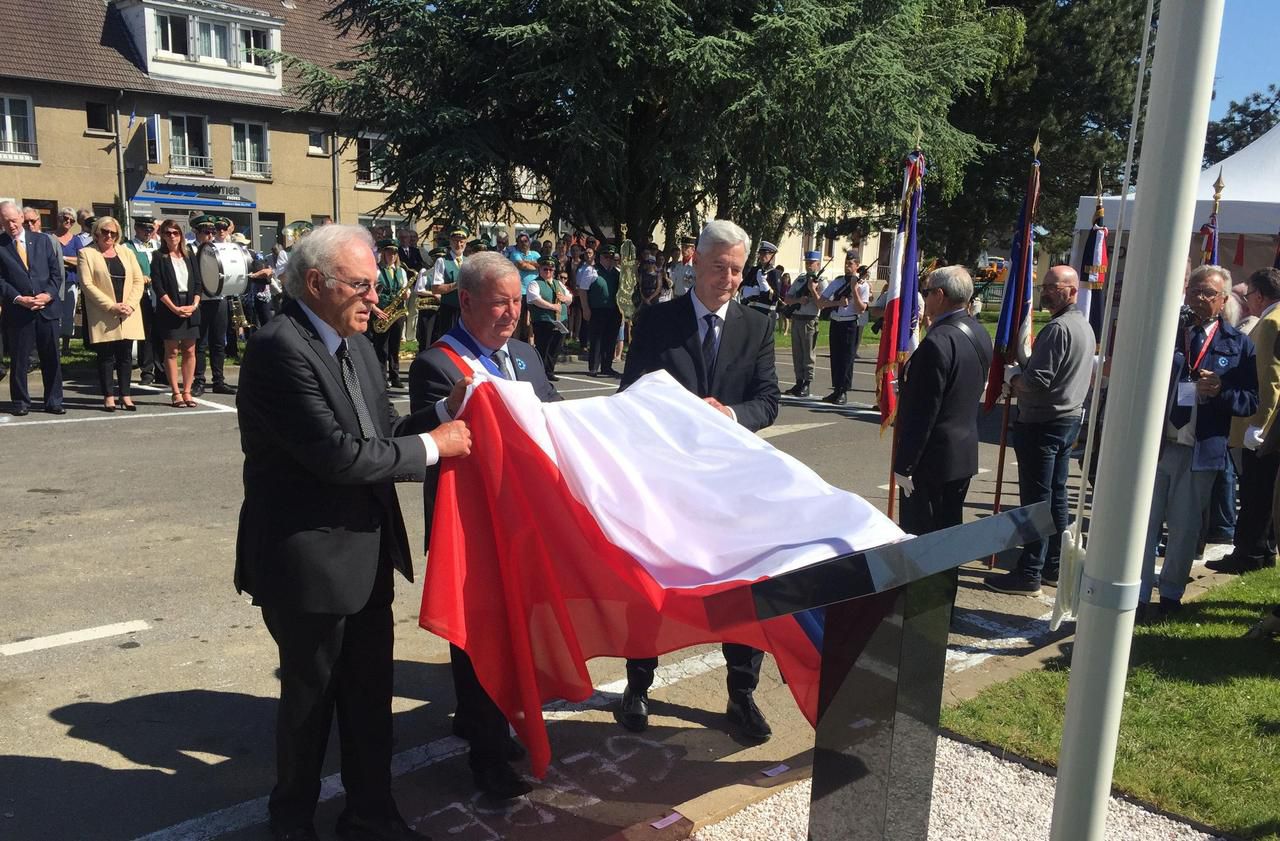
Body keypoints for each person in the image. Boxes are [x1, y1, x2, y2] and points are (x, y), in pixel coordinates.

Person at [236, 223, 471, 841]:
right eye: (362, 286)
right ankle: (291, 820)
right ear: (316, 284)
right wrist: (434, 446)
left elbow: (384, 431)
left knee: (370, 701)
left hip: (365, 555)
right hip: (308, 563)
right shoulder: (277, 349)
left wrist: (446, 413)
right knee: (310, 705)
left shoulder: (358, 344)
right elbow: (338, 456)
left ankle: (372, 814)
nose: (376, 298)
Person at [618, 218, 781, 743]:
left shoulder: (757, 326)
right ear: (695, 262)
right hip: (664, 480)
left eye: (737, 270)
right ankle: (637, 684)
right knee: (649, 585)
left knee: (743, 586)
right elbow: (630, 394)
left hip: (731, 483)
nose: (729, 279)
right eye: (719, 268)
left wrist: (728, 415)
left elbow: (768, 402)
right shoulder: (657, 321)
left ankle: (741, 692)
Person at [409, 250, 560, 800]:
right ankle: (488, 759)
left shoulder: (524, 354)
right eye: (500, 303)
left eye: (518, 301)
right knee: (477, 643)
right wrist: (447, 411)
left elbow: (554, 419)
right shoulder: (438, 364)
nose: (512, 313)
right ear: (466, 301)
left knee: (518, 634)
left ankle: (489, 722)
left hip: (523, 524)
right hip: (470, 533)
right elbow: (414, 432)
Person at [1135, 265, 1258, 621]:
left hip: (1199, 449)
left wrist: (1220, 391)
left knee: (1185, 528)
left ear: (1223, 300)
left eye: (1208, 294)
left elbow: (1249, 400)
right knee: (1146, 524)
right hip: (1159, 446)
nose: (1200, 299)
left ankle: (1171, 593)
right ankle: (1139, 593)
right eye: (1194, 291)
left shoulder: (1238, 344)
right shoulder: (1171, 335)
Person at [986, 265, 1095, 596]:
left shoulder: (1060, 329)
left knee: (1036, 502)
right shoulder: (1083, 326)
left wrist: (1012, 378)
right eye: (1044, 285)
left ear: (1072, 291)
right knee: (1055, 496)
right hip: (1064, 420)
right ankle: (1053, 566)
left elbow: (1037, 382)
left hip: (1044, 422)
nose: (1045, 291)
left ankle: (1030, 571)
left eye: (1053, 287)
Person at [892, 266, 993, 533]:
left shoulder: (937, 342)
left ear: (939, 295)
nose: (924, 298)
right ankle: (949, 577)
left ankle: (934, 578)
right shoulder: (979, 331)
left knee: (923, 539)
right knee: (949, 533)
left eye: (926, 292)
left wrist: (905, 465)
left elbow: (923, 413)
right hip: (963, 453)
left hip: (931, 461)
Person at [1211, 268, 1280, 574]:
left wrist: (1260, 425)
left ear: (1260, 295)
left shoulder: (1269, 323)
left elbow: (1269, 379)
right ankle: (1261, 549)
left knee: (1255, 492)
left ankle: (1249, 553)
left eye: (1249, 295)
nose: (1248, 301)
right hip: (1268, 426)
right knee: (1262, 494)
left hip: (1261, 426)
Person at [0, 200, 65, 415]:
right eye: (5, 221)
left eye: (13, 220)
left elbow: (56, 274)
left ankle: (54, 401)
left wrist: (48, 295)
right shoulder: (1, 245)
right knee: (20, 359)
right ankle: (20, 402)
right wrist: (18, 298)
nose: (11, 225)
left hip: (46, 309)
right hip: (19, 310)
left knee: (51, 358)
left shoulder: (43, 241)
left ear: (21, 217)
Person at [78, 217, 147, 411]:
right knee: (106, 357)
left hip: (127, 312)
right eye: (105, 232)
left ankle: (125, 395)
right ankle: (109, 396)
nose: (109, 236)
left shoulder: (126, 252)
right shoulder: (87, 253)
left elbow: (137, 280)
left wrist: (130, 305)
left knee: (125, 356)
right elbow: (87, 284)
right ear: (97, 233)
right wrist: (111, 306)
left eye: (113, 233)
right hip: (104, 312)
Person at [151, 220, 202, 408]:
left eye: (175, 232)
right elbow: (158, 286)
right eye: (167, 233)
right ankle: (175, 392)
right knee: (171, 351)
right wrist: (173, 308)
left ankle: (187, 391)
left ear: (181, 235)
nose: (172, 236)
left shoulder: (189, 255)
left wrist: (195, 304)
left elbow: (198, 282)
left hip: (190, 305)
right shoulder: (159, 256)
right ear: (163, 236)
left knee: (190, 350)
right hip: (170, 307)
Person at [190, 214, 235, 396]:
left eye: (212, 231)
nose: (210, 235)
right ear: (196, 232)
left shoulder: (219, 249)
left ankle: (219, 381)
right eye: (205, 231)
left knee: (218, 343)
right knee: (200, 343)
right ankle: (199, 380)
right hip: (200, 301)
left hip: (219, 299)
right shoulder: (189, 250)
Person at [818, 256, 870, 404]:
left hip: (850, 324)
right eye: (846, 263)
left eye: (851, 264)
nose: (847, 266)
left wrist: (854, 289)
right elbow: (822, 302)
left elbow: (861, 309)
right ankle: (836, 389)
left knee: (847, 358)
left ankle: (843, 391)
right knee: (836, 356)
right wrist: (837, 302)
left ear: (857, 266)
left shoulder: (863, 285)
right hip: (836, 321)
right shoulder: (838, 281)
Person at [781, 251, 828, 397]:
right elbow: (787, 298)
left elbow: (822, 303)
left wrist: (812, 290)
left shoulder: (821, 281)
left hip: (810, 319)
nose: (808, 265)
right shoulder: (801, 279)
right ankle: (799, 381)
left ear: (818, 264)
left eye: (811, 263)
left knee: (808, 354)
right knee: (797, 353)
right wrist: (798, 301)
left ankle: (807, 383)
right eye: (807, 262)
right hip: (797, 318)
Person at [369, 239, 409, 388]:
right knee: (381, 347)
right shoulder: (376, 271)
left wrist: (407, 294)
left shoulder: (401, 271)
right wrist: (375, 309)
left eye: (394, 252)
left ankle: (395, 376)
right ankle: (381, 378)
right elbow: (368, 291)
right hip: (381, 312)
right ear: (383, 253)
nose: (391, 255)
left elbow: (406, 289)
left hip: (397, 312)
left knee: (395, 346)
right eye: (388, 252)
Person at [527, 255, 571, 380]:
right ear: (540, 269)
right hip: (543, 321)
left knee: (555, 347)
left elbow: (570, 298)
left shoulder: (558, 283)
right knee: (543, 347)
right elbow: (534, 299)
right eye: (545, 269)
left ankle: (549, 371)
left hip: (560, 321)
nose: (548, 272)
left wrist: (565, 299)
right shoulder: (535, 283)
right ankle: (540, 372)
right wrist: (552, 306)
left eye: (551, 270)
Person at [580, 245, 622, 377]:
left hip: (614, 310)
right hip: (597, 309)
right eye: (606, 257)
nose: (609, 259)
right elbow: (583, 290)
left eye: (611, 257)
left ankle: (606, 366)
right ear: (601, 257)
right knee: (596, 339)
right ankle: (593, 367)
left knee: (610, 339)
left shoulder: (617, 272)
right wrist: (585, 308)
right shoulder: (591, 271)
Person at [54, 208, 84, 355]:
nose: (68, 222)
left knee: (69, 314)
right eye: (66, 218)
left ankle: (66, 347)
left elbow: (82, 260)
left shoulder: (76, 240)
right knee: (54, 313)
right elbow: (48, 259)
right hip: (53, 282)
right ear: (59, 218)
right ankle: (54, 345)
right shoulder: (49, 237)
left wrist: (63, 259)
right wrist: (68, 261)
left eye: (72, 220)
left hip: (71, 281)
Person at [428, 227, 467, 341]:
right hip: (449, 310)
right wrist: (455, 285)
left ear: (465, 243)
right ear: (450, 241)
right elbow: (436, 289)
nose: (458, 244)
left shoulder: (469, 261)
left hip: (466, 310)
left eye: (461, 241)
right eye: (455, 241)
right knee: (449, 342)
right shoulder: (442, 261)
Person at [739, 241, 781, 323]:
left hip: (766, 312)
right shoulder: (754, 270)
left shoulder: (774, 273)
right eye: (760, 253)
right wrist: (749, 291)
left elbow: (776, 297)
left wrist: (764, 285)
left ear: (772, 255)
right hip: (751, 310)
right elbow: (741, 287)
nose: (761, 256)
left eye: (765, 253)